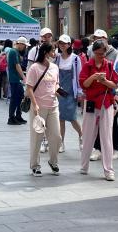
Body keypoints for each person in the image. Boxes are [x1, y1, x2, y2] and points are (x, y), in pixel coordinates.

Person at [79, 40, 118, 181]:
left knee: (106, 137)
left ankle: (109, 170)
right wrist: (93, 77)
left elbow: (115, 84)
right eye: (98, 53)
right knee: (88, 135)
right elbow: (84, 84)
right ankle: (84, 166)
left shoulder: (109, 65)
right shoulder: (87, 65)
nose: (101, 56)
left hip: (106, 103)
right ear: (93, 52)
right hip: (91, 103)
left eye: (103, 53)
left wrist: (104, 81)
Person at [26, 42, 62, 176]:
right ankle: (35, 165)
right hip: (39, 107)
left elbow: (56, 83)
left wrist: (58, 90)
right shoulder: (34, 68)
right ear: (45, 53)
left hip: (53, 106)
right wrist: (35, 104)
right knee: (37, 137)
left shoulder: (55, 67)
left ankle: (53, 161)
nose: (54, 53)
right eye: (52, 51)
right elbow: (29, 88)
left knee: (56, 137)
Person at [56, 35, 83, 153]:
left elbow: (79, 76)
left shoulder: (75, 59)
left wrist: (80, 92)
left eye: (65, 43)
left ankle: (81, 136)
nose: (62, 45)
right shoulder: (57, 58)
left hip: (71, 91)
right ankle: (61, 142)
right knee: (60, 118)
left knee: (72, 117)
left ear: (69, 44)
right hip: (59, 91)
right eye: (60, 43)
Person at [7, 37, 28, 125]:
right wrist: (24, 77)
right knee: (15, 98)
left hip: (16, 79)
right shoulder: (13, 51)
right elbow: (17, 65)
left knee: (20, 97)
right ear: (21, 44)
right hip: (14, 79)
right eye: (24, 45)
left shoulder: (15, 52)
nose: (25, 47)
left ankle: (18, 116)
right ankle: (11, 118)